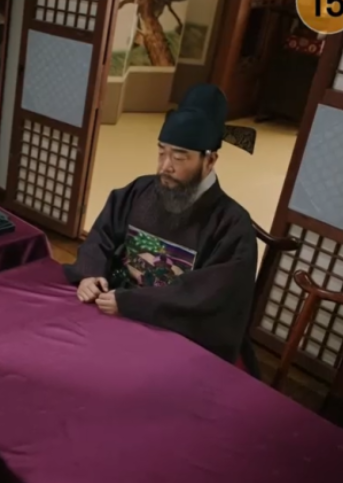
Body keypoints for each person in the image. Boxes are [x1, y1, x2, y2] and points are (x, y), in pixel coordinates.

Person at [64, 83, 259, 363]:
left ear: (210, 161)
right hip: (115, 307)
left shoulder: (232, 225)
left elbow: (206, 296)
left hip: (174, 332)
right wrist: (91, 273)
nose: (165, 166)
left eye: (178, 157)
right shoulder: (138, 191)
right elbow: (101, 236)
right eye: (161, 152)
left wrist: (132, 303)